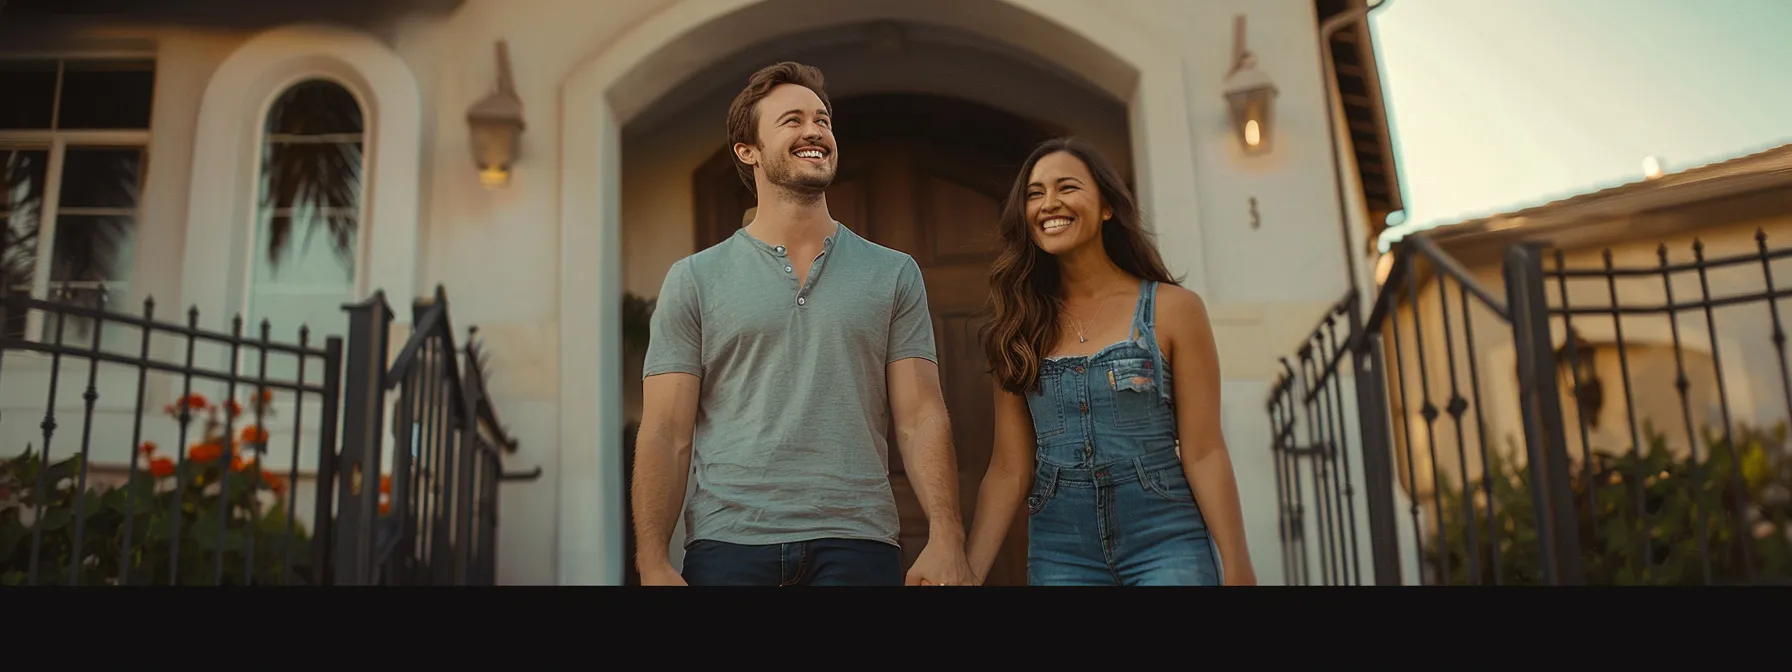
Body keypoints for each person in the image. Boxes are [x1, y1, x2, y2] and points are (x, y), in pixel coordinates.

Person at [631, 61, 977, 587]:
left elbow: (920, 415)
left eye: (822, 120)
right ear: (748, 152)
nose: (815, 131)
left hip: (858, 542)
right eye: (792, 120)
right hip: (730, 545)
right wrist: (652, 561)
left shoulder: (893, 272)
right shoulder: (694, 278)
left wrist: (947, 536)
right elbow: (665, 432)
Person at [962, 137, 1256, 586]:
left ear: (1106, 207)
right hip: (1061, 549)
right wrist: (970, 572)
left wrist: (1237, 568)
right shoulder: (1018, 327)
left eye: (1067, 187)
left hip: (1166, 537)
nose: (1049, 203)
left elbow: (1204, 451)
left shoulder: (1174, 310)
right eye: (1035, 194)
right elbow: (1008, 468)